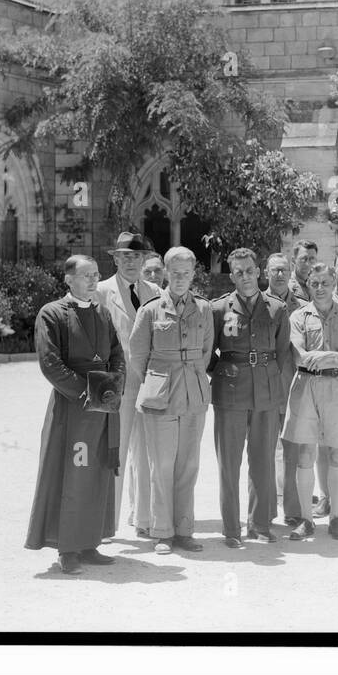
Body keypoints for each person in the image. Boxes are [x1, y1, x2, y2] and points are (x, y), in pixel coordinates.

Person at [25, 255, 125, 575]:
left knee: (96, 475)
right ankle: (67, 548)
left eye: (96, 275)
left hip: (103, 408)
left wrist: (113, 387)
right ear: (69, 279)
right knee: (73, 476)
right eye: (86, 276)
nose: (94, 281)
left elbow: (117, 355)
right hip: (73, 408)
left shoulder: (103, 313)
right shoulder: (51, 313)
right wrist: (86, 391)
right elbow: (50, 364)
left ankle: (89, 542)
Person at [124, 247, 214, 555]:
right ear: (165, 272)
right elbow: (137, 358)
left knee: (188, 465)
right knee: (160, 464)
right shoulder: (149, 310)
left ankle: (184, 529)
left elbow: (205, 351)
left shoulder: (203, 309)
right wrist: (157, 379)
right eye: (174, 273)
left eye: (185, 274)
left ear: (193, 275)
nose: (179, 279)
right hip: (160, 394)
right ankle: (162, 530)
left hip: (194, 393)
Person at [210, 248, 294, 547]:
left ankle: (259, 524)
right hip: (230, 393)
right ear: (231, 275)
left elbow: (283, 354)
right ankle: (231, 529)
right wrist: (224, 374)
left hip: (266, 393)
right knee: (229, 464)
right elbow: (209, 354)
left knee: (262, 461)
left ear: (258, 271)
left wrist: (272, 384)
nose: (245, 277)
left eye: (249, 270)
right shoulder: (219, 309)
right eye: (238, 272)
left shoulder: (276, 308)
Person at [284, 263, 338, 541]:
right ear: (308, 286)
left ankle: (335, 518)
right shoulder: (298, 316)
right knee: (306, 454)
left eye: (325, 283)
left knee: (336, 454)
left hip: (337, 388)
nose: (319, 288)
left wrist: (330, 357)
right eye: (314, 283)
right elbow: (298, 356)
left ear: (334, 285)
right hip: (306, 386)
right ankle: (307, 519)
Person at [95, 231, 160, 533]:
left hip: (147, 384)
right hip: (114, 386)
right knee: (115, 454)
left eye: (136, 256)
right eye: (125, 256)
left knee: (146, 454)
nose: (131, 261)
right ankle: (108, 523)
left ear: (144, 259)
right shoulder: (100, 292)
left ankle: (143, 520)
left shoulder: (156, 292)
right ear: (116, 259)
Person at [257, 252, 297, 528]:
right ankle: (267, 507)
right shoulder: (256, 304)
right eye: (275, 270)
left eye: (284, 270)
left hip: (295, 386)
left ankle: (293, 509)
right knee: (264, 448)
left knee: (293, 449)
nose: (279, 275)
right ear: (265, 272)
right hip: (266, 386)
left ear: (291, 272)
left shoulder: (304, 307)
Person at [288, 239, 318, 303]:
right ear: (293, 260)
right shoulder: (286, 288)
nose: (308, 264)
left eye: (312, 259)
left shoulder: (318, 287)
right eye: (304, 259)